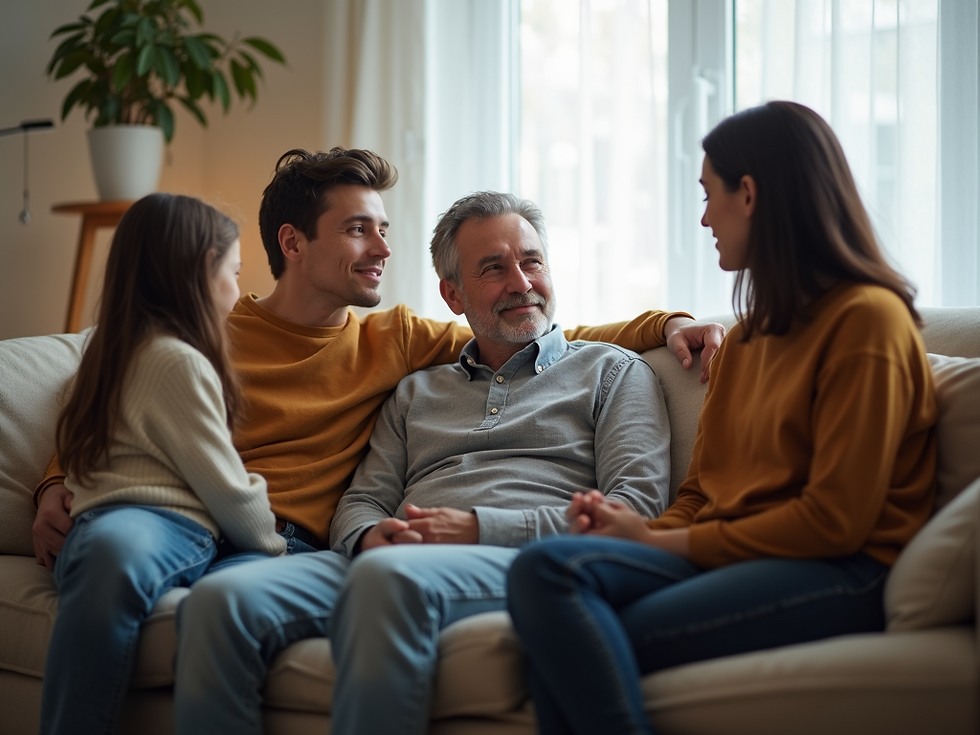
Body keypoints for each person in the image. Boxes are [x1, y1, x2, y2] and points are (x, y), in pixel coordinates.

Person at [31, 148, 724, 734]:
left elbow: (621, 473)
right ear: (293, 243)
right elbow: (108, 387)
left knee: (354, 581)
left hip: (326, 540)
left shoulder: (589, 369)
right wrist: (56, 480)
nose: (520, 283)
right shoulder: (407, 381)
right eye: (360, 229)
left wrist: (670, 323)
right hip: (223, 524)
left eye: (533, 261)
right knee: (190, 591)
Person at [505, 100, 938, 735]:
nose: (704, 217)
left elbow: (835, 522)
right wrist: (636, 529)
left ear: (751, 194)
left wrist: (659, 543)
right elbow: (704, 492)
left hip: (840, 570)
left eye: (710, 195)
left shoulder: (867, 321)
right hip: (737, 554)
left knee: (560, 617)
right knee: (548, 573)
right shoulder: (747, 339)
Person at [325, 190, 671, 735]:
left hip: (528, 560)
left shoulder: (613, 372)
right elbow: (364, 499)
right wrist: (370, 535)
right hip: (402, 553)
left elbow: (636, 509)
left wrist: (479, 529)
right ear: (452, 294)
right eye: (494, 269)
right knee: (226, 600)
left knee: (387, 581)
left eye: (532, 261)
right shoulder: (416, 391)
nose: (522, 283)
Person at [37, 194, 284, 735]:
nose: (238, 289)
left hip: (107, 531)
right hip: (148, 526)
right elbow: (227, 488)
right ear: (199, 271)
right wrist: (273, 545)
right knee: (113, 549)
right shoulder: (174, 361)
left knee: (111, 549)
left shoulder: (114, 353)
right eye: (233, 271)